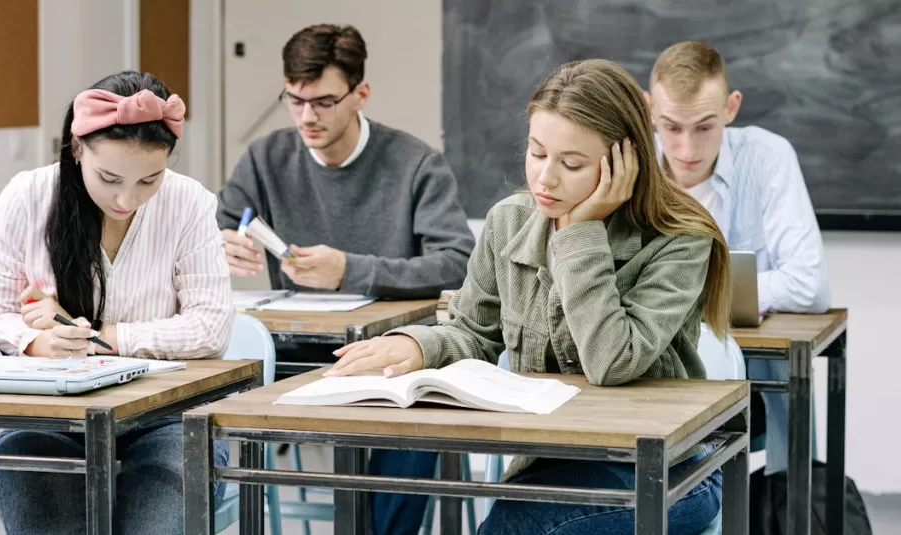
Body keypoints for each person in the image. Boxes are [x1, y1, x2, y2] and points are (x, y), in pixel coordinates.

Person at [326, 59, 732, 535]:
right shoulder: (509, 222)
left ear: (626, 161)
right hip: (552, 466)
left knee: (514, 527)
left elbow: (613, 361)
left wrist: (582, 232)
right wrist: (419, 346)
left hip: (669, 473)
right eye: (537, 153)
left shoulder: (679, 239)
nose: (546, 179)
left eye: (572, 163)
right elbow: (472, 332)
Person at [215, 24, 475, 535]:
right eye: (295, 100)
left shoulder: (415, 163)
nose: (307, 117)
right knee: (213, 391)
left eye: (324, 102)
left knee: (419, 408)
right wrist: (221, 242)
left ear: (361, 94)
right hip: (293, 350)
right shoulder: (266, 158)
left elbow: (456, 262)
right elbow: (220, 223)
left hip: (389, 354)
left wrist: (349, 270)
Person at [0, 71, 234, 534]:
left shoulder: (188, 203)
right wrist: (36, 342)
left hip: (167, 417)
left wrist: (101, 338)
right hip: (51, 418)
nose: (126, 198)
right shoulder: (28, 198)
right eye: (109, 177)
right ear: (77, 148)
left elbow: (211, 328)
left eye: (148, 180)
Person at [646, 41, 832, 475]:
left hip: (748, 367)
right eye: (671, 127)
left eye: (705, 127)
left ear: (731, 108)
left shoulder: (768, 157)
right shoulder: (633, 163)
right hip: (653, 363)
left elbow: (809, 285)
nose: (687, 147)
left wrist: (693, 292)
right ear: (650, 110)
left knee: (780, 374)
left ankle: (781, 502)